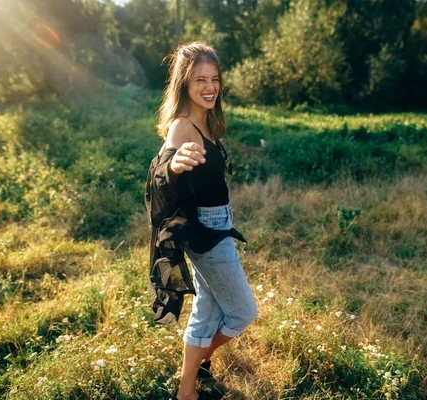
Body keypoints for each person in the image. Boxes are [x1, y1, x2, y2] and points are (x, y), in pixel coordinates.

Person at [155, 42, 258, 400]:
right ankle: (195, 368)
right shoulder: (182, 127)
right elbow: (162, 170)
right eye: (200, 79)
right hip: (206, 234)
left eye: (214, 79)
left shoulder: (207, 122)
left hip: (216, 225)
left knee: (206, 311)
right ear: (184, 83)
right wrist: (174, 165)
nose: (210, 86)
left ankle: (187, 390)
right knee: (243, 312)